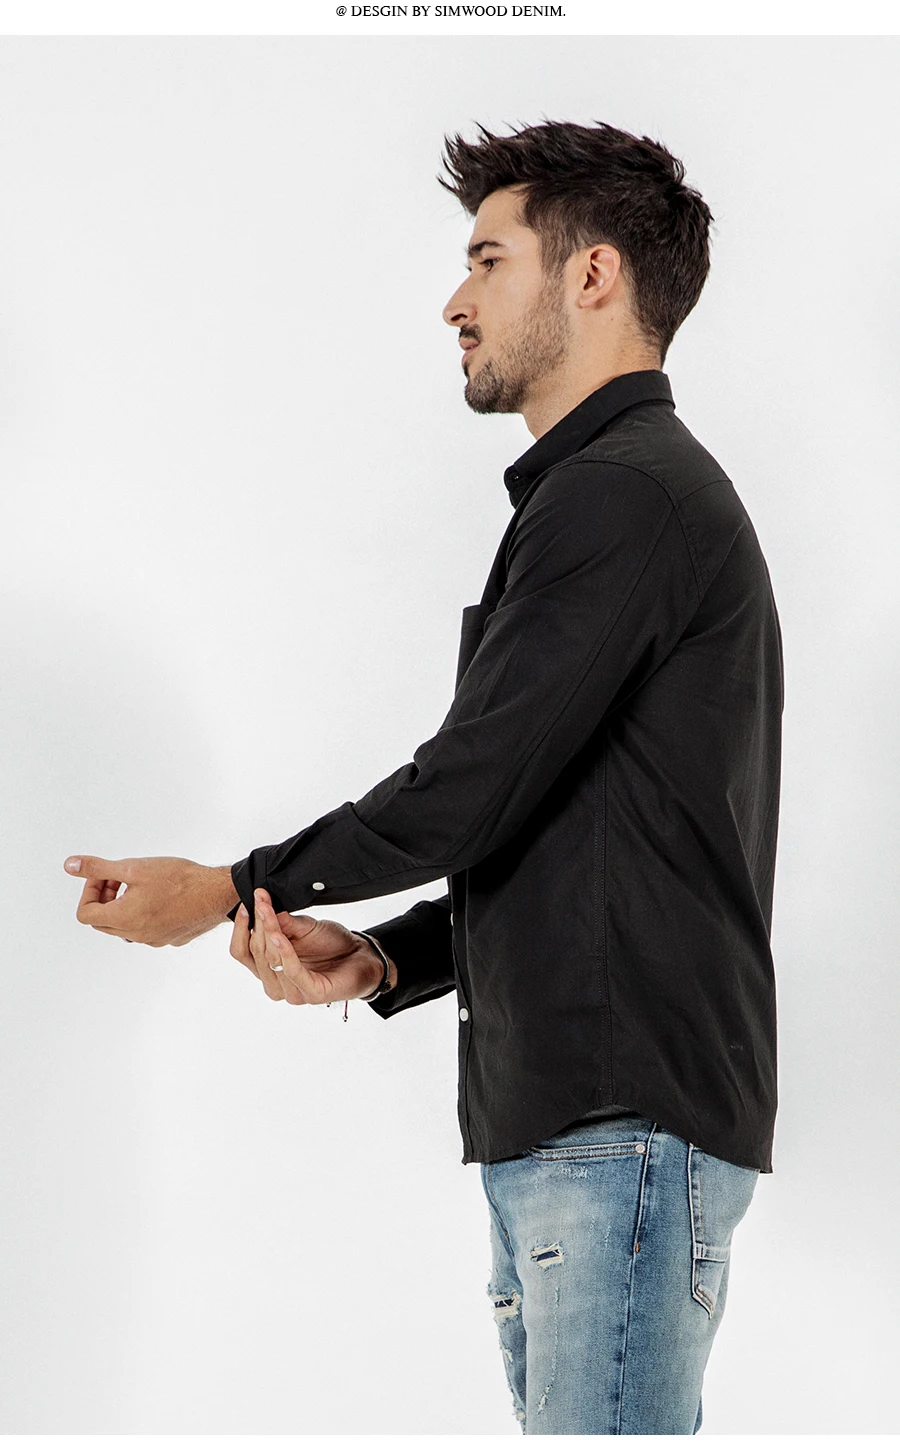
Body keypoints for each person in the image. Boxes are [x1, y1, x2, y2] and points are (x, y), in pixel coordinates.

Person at [64, 120, 783, 1434]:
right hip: (581, 1133)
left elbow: (472, 783)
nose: (455, 301)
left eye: (488, 260)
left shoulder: (624, 496)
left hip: (614, 1132)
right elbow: (572, 826)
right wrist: (390, 959)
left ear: (594, 274)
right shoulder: (610, 498)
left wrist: (226, 887)